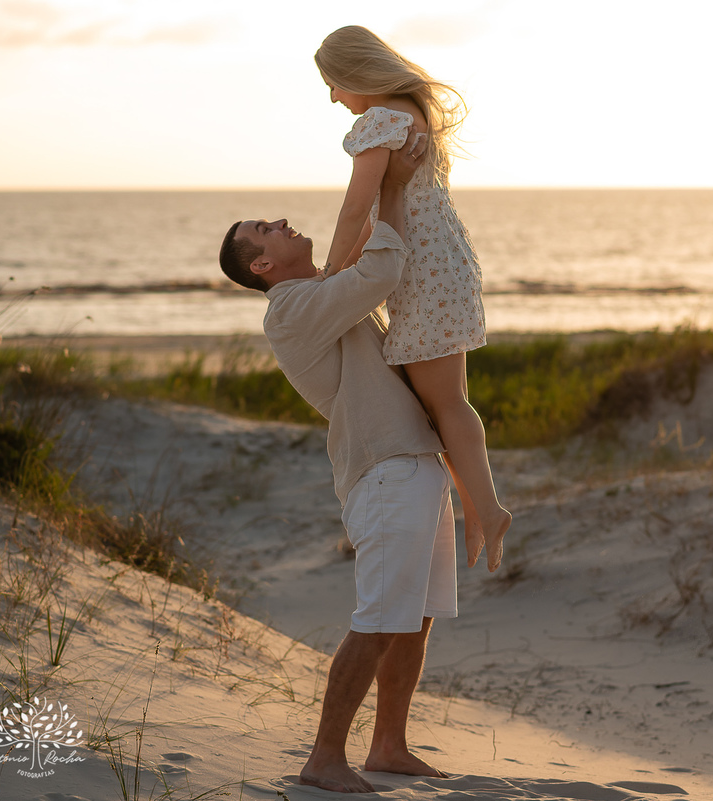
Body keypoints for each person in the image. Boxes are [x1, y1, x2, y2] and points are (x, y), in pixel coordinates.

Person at [218, 135, 452, 793]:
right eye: (266, 228)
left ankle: (389, 744)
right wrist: (393, 188)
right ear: (263, 263)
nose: (281, 221)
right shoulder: (288, 310)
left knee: (415, 615)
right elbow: (377, 272)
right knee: (380, 617)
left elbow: (359, 260)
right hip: (385, 471)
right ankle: (324, 756)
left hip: (413, 463)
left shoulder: (317, 293)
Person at [314, 24, 510, 573]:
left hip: (425, 273)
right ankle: (476, 509)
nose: (333, 97)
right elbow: (382, 209)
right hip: (443, 263)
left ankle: (489, 510)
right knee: (444, 404)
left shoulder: (379, 121)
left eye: (332, 83)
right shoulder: (413, 112)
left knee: (445, 405)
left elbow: (356, 212)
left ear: (354, 73)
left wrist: (329, 277)